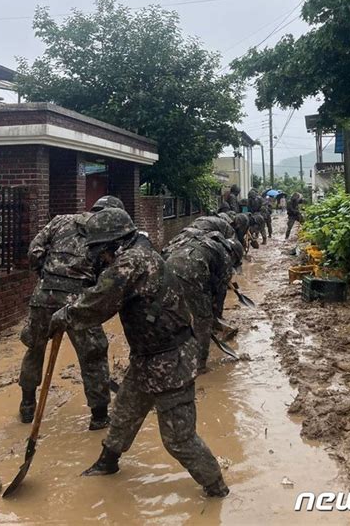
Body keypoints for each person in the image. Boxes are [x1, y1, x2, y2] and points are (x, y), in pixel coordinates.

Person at [48, 208, 229, 498]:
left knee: (178, 438)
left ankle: (216, 486)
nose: (98, 258)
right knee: (124, 412)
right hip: (147, 357)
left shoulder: (130, 264)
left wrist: (64, 315)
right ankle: (108, 463)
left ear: (113, 244)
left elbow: (97, 303)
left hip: (171, 361)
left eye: (99, 251)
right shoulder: (141, 251)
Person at [18, 195, 124, 430]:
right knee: (94, 355)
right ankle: (99, 416)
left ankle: (27, 405)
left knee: (35, 348)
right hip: (80, 302)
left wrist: (48, 277)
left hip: (43, 296)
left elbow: (34, 252)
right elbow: (109, 274)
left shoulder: (60, 221)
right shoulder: (108, 234)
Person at [163, 229, 243, 373]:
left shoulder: (206, 242)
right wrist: (212, 316)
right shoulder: (225, 256)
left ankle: (168, 354)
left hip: (166, 267)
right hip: (190, 274)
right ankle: (199, 365)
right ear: (234, 255)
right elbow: (219, 292)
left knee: (174, 313)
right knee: (203, 320)